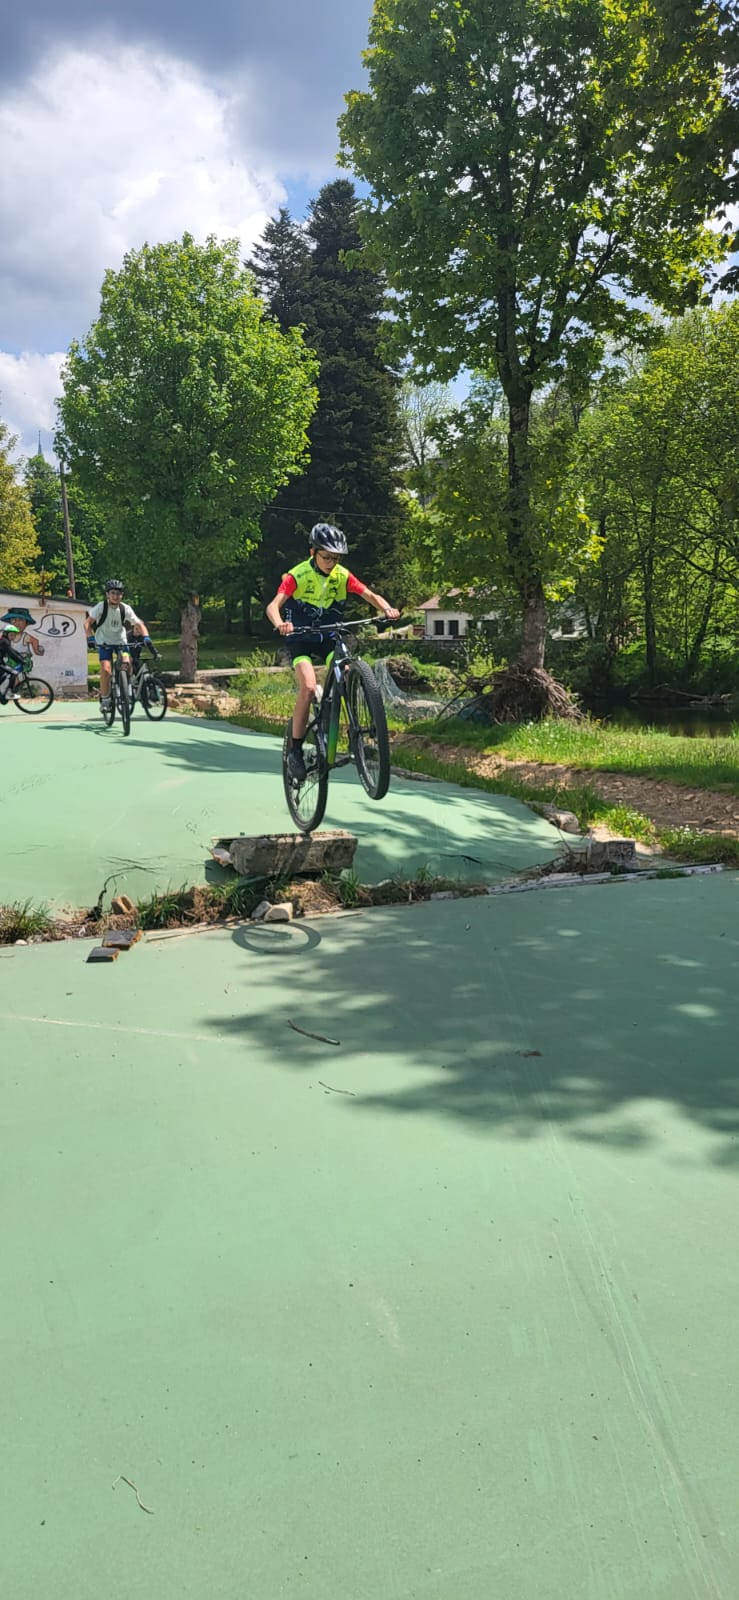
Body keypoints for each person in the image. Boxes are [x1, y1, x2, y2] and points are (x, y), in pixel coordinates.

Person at [265, 522, 399, 780]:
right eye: (326, 557)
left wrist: (386, 608)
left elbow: (369, 594)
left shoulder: (342, 575)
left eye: (336, 558)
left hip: (328, 636)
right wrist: (280, 623)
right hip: (301, 637)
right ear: (313, 552)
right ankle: (295, 750)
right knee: (307, 687)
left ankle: (353, 730)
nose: (331, 563)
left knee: (346, 671)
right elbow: (273, 606)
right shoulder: (297, 575)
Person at [85, 579, 151, 711]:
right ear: (107, 594)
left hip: (121, 642)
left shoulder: (125, 608)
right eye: (113, 593)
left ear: (122, 595)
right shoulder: (100, 607)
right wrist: (90, 637)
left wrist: (146, 637)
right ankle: (105, 699)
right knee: (106, 669)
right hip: (104, 643)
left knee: (127, 661)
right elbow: (87, 623)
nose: (116, 596)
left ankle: (127, 686)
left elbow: (139, 624)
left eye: (118, 593)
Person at [0, 607, 44, 702]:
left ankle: (3, 696)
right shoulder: (4, 642)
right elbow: (11, 653)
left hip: (2, 663)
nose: (13, 637)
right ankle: (9, 693)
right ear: (6, 634)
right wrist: (21, 660)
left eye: (21, 620)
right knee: (14, 673)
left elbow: (13, 651)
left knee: (5, 675)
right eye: (11, 635)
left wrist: (21, 657)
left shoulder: (5, 641)